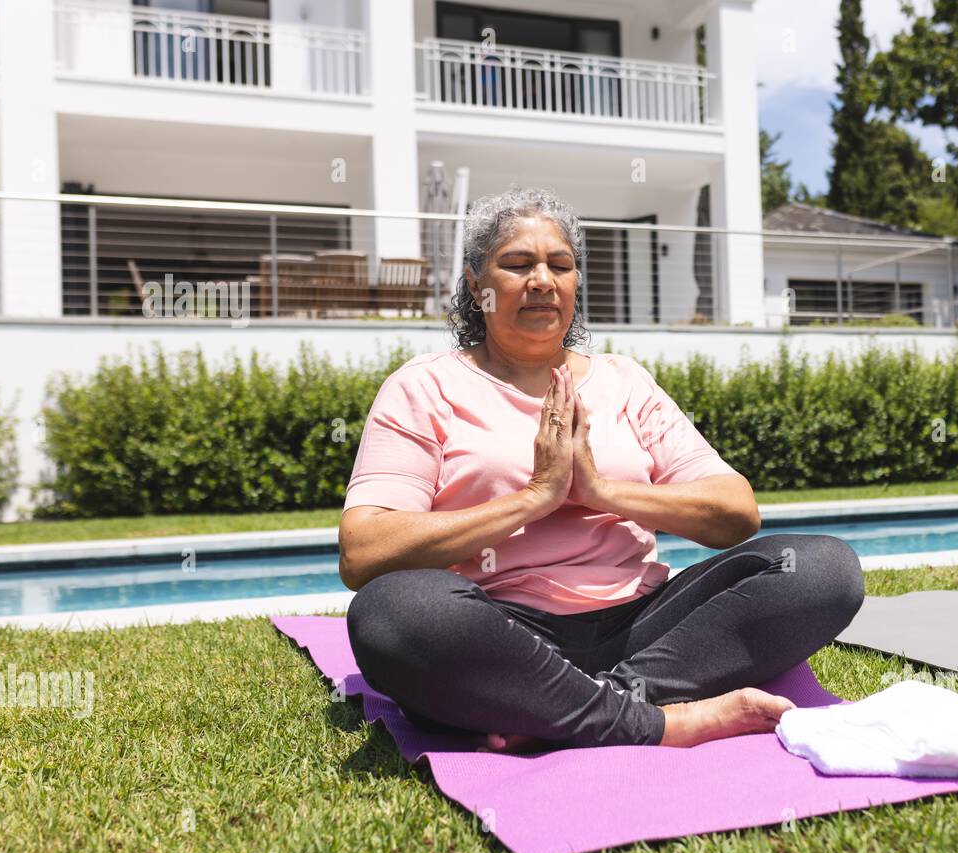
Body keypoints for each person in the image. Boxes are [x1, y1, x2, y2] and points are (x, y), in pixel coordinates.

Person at [338, 185, 865, 754]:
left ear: (575, 283)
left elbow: (735, 514)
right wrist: (534, 497)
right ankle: (659, 722)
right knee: (393, 614)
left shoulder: (624, 380)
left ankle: (579, 706)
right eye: (517, 264)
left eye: (559, 265)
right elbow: (364, 552)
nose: (542, 280)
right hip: (501, 632)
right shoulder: (424, 386)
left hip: (646, 629)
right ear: (476, 286)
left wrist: (601, 490)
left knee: (821, 568)